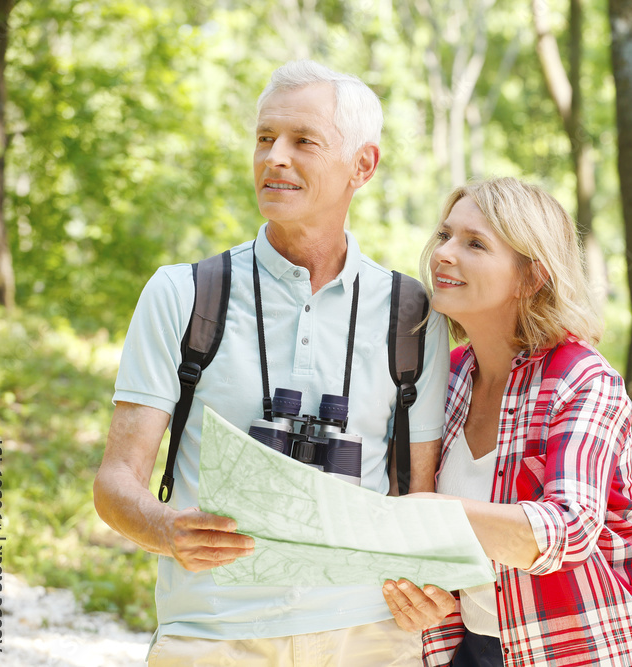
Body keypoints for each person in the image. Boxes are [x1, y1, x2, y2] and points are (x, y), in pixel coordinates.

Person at [93, 60, 452, 666]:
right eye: (265, 138)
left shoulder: (413, 314)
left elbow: (421, 501)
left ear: (363, 165)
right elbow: (115, 484)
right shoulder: (183, 293)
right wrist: (167, 529)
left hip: (366, 636)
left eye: (303, 141)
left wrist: (431, 589)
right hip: (211, 634)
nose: (274, 157)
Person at [381, 178, 632, 667]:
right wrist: (422, 593)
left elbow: (569, 529)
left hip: (590, 649)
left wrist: (428, 513)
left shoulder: (582, 379)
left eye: (474, 243)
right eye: (444, 236)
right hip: (478, 649)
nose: (444, 254)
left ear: (531, 277)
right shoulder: (449, 376)